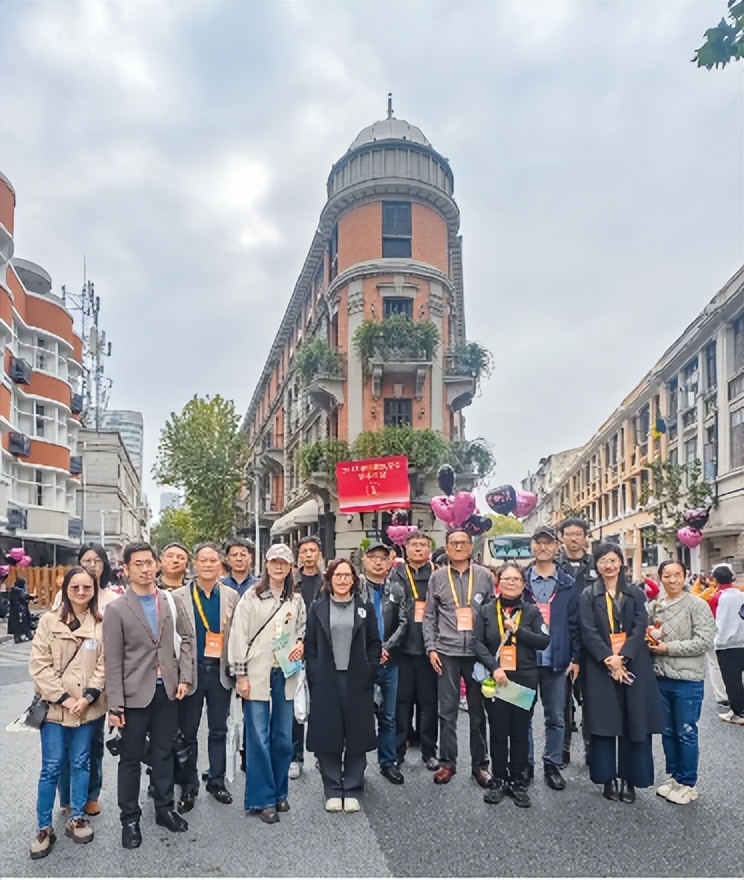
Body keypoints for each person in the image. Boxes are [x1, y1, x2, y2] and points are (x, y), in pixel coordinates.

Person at [103, 542, 194, 849]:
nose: (145, 569)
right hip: (133, 696)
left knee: (163, 753)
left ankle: (164, 809)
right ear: (126, 570)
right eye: (137, 564)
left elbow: (187, 638)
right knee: (130, 758)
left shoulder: (169, 600)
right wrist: (114, 704)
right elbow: (112, 660)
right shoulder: (116, 609)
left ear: (157, 565)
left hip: (166, 690)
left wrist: (185, 677)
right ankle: (130, 819)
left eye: (149, 562)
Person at [28, 566, 106, 859]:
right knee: (51, 766)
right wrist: (63, 698)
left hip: (87, 708)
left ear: (94, 591)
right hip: (54, 708)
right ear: (66, 590)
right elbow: (39, 665)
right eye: (76, 588)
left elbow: (103, 666)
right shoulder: (49, 622)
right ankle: (44, 827)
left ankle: (77, 816)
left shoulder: (100, 623)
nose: (82, 593)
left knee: (81, 761)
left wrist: (86, 698)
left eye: (87, 588)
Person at [228, 543, 306, 824]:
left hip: (285, 671)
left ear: (290, 568)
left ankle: (280, 791)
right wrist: (240, 675)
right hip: (257, 671)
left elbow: (301, 628)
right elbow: (238, 635)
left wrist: (300, 643)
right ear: (266, 564)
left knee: (283, 736)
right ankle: (262, 799)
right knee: (258, 737)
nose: (279, 567)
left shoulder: (295, 599)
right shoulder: (252, 596)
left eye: (284, 563)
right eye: (274, 562)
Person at [579, 543, 663, 803]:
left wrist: (623, 657)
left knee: (634, 721)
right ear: (597, 565)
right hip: (599, 665)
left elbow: (640, 627)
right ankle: (607, 777)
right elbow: (587, 630)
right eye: (603, 560)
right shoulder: (588, 594)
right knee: (604, 723)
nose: (609, 565)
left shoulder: (635, 593)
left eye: (613, 560)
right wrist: (609, 659)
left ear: (621, 563)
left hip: (634, 661)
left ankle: (631, 778)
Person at [304, 558, 381, 812]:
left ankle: (353, 786)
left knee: (357, 733)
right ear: (329, 579)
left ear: (354, 580)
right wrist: (314, 673)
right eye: (338, 575)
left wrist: (370, 669)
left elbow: (373, 642)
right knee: (329, 733)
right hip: (327, 678)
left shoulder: (365, 607)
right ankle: (333, 786)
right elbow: (311, 646)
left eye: (348, 576)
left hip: (357, 677)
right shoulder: (317, 608)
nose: (343, 580)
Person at [473, 564, 549, 808]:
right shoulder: (486, 611)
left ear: (523, 584)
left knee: (519, 732)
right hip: (498, 678)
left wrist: (518, 631)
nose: (511, 583)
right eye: (506, 579)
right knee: (498, 731)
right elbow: (476, 643)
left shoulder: (532, 612)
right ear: (498, 582)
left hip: (524, 677)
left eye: (516, 579)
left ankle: (518, 780)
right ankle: (499, 779)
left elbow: (544, 641)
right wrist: (493, 667)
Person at [422, 528, 492, 788]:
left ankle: (480, 765)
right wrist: (431, 648)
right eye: (454, 543)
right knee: (447, 711)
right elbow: (429, 616)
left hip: (476, 654)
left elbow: (492, 613)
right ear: (447, 548)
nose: (459, 547)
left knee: (477, 712)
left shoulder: (484, 575)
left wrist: (489, 653)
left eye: (464, 543)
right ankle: (447, 762)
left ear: (471, 546)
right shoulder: (438, 577)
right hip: (447, 652)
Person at [172, 542, 238, 812]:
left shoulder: (232, 596)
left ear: (220, 565)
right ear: (194, 565)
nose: (208, 565)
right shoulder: (177, 597)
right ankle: (189, 786)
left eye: (213, 560)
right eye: (203, 560)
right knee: (188, 732)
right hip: (192, 671)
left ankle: (217, 780)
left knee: (219, 729)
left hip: (220, 671)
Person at [56, 543, 119, 818]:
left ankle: (91, 794)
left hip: (97, 686)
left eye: (97, 560)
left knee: (92, 742)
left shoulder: (113, 599)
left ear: (104, 564)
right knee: (64, 745)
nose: (92, 565)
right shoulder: (62, 598)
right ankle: (68, 796)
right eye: (86, 560)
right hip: (65, 689)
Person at [649, 560, 716, 804]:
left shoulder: (697, 605)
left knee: (686, 731)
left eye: (677, 575)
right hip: (661, 677)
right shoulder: (656, 605)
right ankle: (675, 777)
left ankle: (688, 782)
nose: (673, 580)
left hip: (688, 679)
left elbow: (705, 640)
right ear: (661, 578)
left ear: (685, 576)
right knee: (667, 731)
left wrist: (668, 648)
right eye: (667, 575)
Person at [523, 526, 580, 791]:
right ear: (532, 546)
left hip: (557, 662)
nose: (543, 547)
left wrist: (575, 657)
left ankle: (552, 764)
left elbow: (575, 624)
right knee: (522, 715)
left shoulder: (567, 583)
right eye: (538, 542)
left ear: (557, 547)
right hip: (524, 662)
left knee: (556, 717)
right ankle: (525, 764)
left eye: (548, 543)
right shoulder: (520, 582)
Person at [389, 530, 439, 770]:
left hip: (430, 649)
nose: (418, 549)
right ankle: (399, 748)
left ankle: (429, 750)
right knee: (402, 703)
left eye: (422, 545)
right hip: (403, 648)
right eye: (414, 545)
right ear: (405, 549)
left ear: (429, 549)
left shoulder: (438, 575)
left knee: (429, 704)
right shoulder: (396, 574)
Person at [359, 541, 408, 784]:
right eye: (373, 557)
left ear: (390, 561)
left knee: (388, 716)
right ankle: (357, 763)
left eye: (383, 558)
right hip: (363, 662)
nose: (378, 562)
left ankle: (387, 762)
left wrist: (385, 648)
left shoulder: (397, 588)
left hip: (390, 661)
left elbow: (404, 622)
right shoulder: (356, 587)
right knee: (359, 715)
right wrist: (372, 651)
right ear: (364, 560)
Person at [556, 517, 596, 766]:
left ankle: (593, 750)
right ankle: (562, 749)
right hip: (562, 638)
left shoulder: (597, 564)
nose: (573, 539)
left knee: (591, 699)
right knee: (562, 699)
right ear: (561, 537)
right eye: (569, 534)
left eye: (578, 534)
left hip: (591, 639)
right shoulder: (553, 565)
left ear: (585, 537)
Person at [289, 535, 324, 780]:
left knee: (323, 705)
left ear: (319, 553)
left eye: (313, 550)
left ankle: (324, 754)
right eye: (304, 550)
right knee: (295, 706)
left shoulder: (328, 580)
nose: (309, 554)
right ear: (299, 555)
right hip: (296, 648)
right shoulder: (291, 580)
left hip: (322, 650)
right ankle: (295, 757)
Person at [709, 564, 744, 724]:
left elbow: (713, 619)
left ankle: (738, 712)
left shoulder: (716, 597)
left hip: (726, 643)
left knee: (732, 680)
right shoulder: (740, 594)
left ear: (715, 580)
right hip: (742, 640)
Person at [8, 576, 34, 642]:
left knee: (17, 625)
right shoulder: (19, 591)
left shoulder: (14, 590)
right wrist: (31, 597)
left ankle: (18, 637)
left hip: (15, 611)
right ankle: (28, 635)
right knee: (23, 623)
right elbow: (23, 598)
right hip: (20, 611)